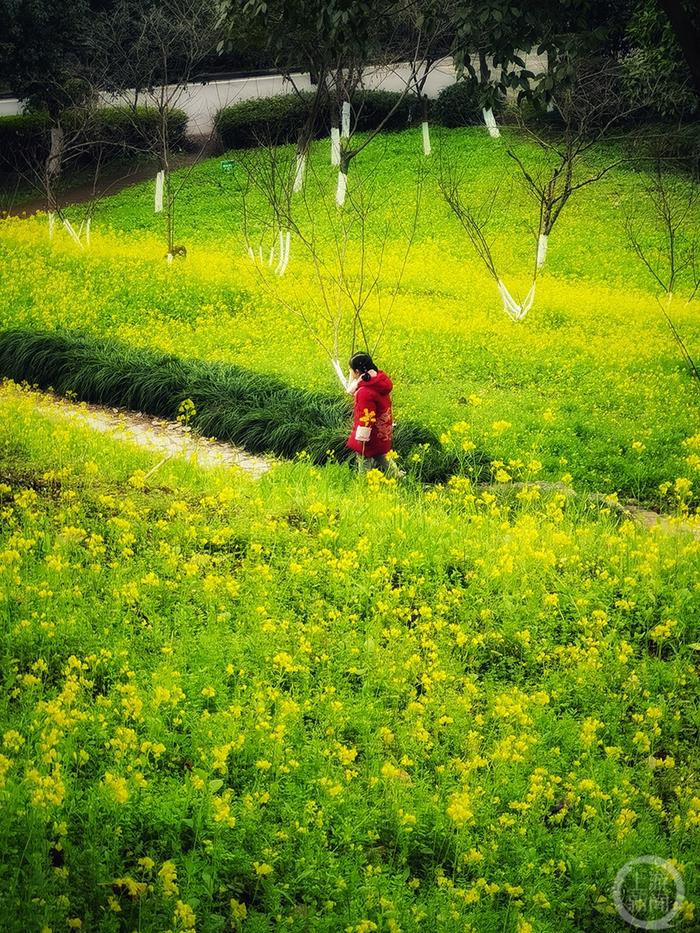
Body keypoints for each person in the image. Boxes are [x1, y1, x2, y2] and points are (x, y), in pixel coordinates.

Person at [345, 352, 401, 477]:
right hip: (382, 432)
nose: (350, 372)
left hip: (370, 435)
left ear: (357, 371)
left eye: (351, 370)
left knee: (364, 461)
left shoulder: (365, 391)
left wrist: (362, 439)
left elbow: (366, 416)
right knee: (383, 456)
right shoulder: (378, 384)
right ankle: (398, 478)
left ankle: (363, 485)